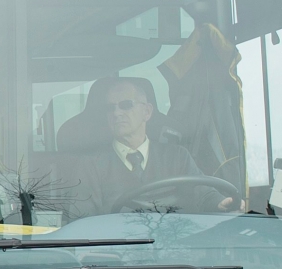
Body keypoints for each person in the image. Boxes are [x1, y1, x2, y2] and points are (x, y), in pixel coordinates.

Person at [71, 75, 215, 217]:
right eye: (110, 108)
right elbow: (82, 221)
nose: (116, 113)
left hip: (173, 237)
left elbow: (206, 195)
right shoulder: (90, 165)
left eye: (126, 105)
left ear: (147, 112)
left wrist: (221, 203)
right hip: (114, 240)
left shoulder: (177, 156)